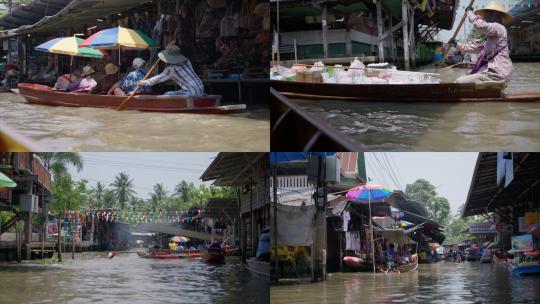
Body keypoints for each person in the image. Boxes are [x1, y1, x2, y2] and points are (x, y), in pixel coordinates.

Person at [449, 0, 513, 83]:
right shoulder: (490, 39)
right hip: (491, 72)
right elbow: (475, 48)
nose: (486, 15)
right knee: (466, 75)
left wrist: (470, 13)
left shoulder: (499, 28)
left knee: (459, 82)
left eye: (489, 13)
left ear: (496, 15)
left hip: (498, 72)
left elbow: (481, 25)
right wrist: (456, 44)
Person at [138, 45, 205, 96]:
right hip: (200, 88)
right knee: (173, 92)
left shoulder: (171, 70)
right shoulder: (187, 61)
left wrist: (144, 82)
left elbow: (158, 78)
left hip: (191, 92)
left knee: (167, 94)